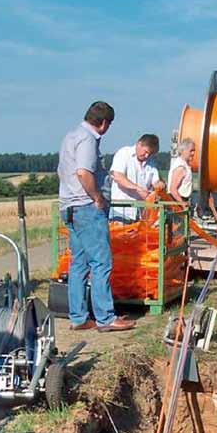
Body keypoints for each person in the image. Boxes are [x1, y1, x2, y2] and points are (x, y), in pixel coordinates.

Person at [57, 101, 135, 332]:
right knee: (101, 262)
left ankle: (79, 317)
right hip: (86, 208)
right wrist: (97, 197)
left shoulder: (70, 136)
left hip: (69, 207)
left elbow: (64, 171)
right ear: (103, 123)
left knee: (79, 264)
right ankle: (106, 318)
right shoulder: (88, 139)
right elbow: (83, 172)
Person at [109, 134, 165, 222]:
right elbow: (118, 176)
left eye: (150, 154)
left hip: (141, 213)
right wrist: (138, 189)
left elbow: (155, 180)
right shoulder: (124, 153)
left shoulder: (151, 160)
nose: (147, 156)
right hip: (121, 211)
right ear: (139, 144)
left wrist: (159, 185)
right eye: (145, 152)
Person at [168, 138, 195, 205]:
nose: (193, 153)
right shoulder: (180, 167)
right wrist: (182, 203)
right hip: (177, 201)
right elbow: (173, 189)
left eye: (194, 151)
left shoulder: (185, 165)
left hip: (181, 200)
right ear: (183, 150)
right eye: (191, 151)